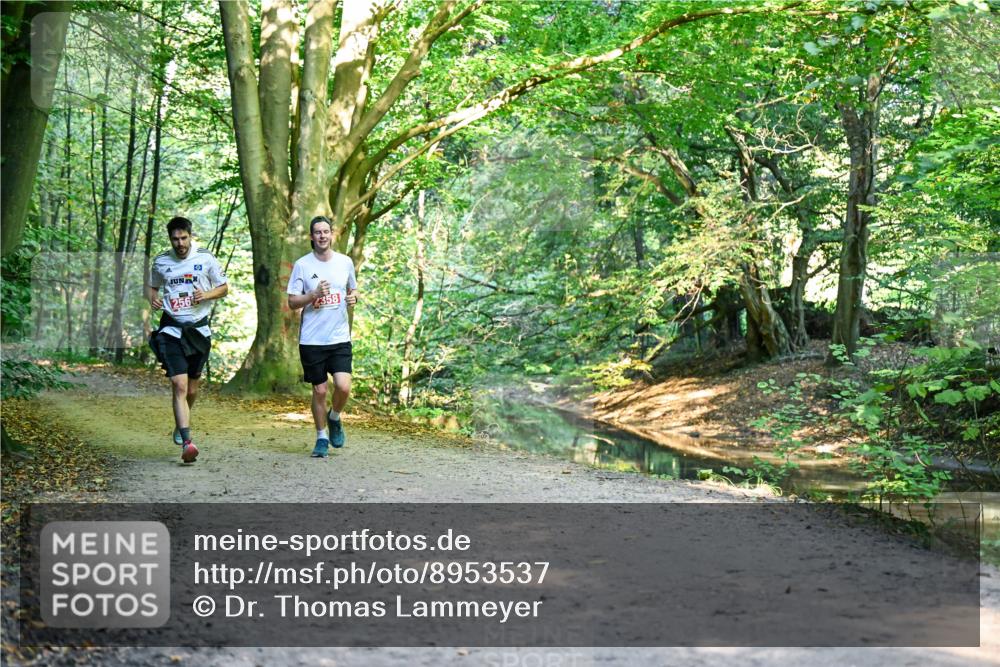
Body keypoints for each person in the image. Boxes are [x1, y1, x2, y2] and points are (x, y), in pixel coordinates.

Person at [147, 216, 229, 463]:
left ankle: (181, 421)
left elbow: (224, 287)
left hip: (198, 331)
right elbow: (151, 287)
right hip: (171, 329)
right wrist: (153, 298)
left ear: (190, 236)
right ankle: (187, 441)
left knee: (192, 389)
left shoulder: (205, 258)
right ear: (170, 239)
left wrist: (206, 295)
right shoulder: (161, 261)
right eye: (175, 239)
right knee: (179, 384)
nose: (180, 243)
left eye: (184, 238)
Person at [286, 215, 358, 458]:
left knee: (343, 387)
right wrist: (313, 295)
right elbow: (292, 302)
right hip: (312, 340)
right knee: (319, 391)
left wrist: (354, 297)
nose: (322, 236)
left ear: (332, 234)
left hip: (339, 337)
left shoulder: (345, 262)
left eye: (326, 231)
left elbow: (353, 289)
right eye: (317, 232)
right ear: (311, 236)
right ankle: (321, 437)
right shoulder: (302, 265)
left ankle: (334, 417)